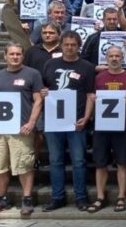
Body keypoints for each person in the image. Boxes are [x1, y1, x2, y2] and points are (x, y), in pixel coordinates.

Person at [0, 44, 43, 217]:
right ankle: (1, 198)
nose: (15, 57)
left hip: (21, 128)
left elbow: (38, 100)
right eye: (12, 54)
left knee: (24, 164)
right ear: (5, 56)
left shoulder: (33, 74)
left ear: (23, 56)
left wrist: (32, 122)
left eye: (18, 54)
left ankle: (27, 198)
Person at [40, 30, 95, 211]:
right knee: (55, 160)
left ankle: (81, 197)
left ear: (78, 46)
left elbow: (90, 95)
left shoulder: (86, 67)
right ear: (61, 45)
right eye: (66, 45)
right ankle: (58, 197)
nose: (70, 48)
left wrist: (86, 118)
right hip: (53, 120)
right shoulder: (50, 64)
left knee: (79, 161)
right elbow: (43, 89)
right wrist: (43, 92)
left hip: (76, 121)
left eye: (73, 45)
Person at [89, 45, 126, 214]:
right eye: (111, 56)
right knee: (100, 163)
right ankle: (100, 197)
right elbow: (91, 98)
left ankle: (121, 196)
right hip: (102, 126)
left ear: (122, 58)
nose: (114, 59)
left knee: (122, 163)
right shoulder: (98, 78)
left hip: (123, 126)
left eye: (118, 56)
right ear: (106, 58)